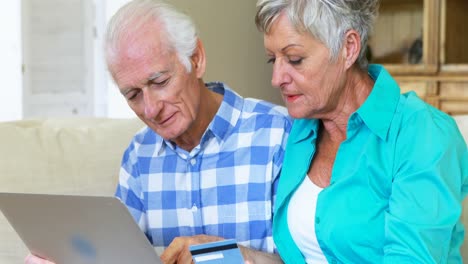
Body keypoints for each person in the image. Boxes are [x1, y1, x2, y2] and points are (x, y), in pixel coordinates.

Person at [25, 0, 291, 263]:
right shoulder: (139, 155)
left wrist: (228, 255)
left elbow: (310, 258)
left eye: (160, 82)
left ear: (196, 60)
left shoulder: (279, 133)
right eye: (133, 95)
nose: (150, 110)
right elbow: (119, 257)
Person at [255, 0, 468, 263]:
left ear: (349, 48)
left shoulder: (422, 134)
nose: (277, 78)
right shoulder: (302, 130)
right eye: (271, 60)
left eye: (295, 59)